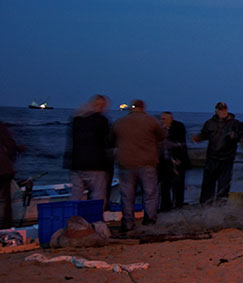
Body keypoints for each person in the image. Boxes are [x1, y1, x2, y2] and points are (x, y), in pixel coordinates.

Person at [112, 99, 165, 231]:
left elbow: (111, 140)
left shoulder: (119, 123)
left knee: (127, 196)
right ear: (143, 108)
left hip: (126, 163)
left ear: (131, 108)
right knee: (150, 194)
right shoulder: (151, 121)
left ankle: (128, 223)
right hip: (147, 163)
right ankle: (150, 221)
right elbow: (162, 136)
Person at [64, 95, 114, 209]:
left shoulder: (77, 118)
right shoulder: (101, 120)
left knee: (76, 195)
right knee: (98, 195)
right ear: (101, 106)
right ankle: (96, 222)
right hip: (95, 163)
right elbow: (107, 141)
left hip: (76, 163)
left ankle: (72, 220)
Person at [194, 102, 243, 204]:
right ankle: (205, 206)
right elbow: (204, 134)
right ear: (216, 111)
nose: (223, 111)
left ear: (227, 110)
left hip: (227, 159)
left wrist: (235, 136)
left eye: (224, 109)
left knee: (223, 185)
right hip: (212, 158)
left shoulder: (235, 123)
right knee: (208, 185)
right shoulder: (209, 123)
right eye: (220, 109)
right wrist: (198, 138)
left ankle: (220, 208)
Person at [158, 111, 190, 210]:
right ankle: (165, 207)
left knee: (178, 186)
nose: (162, 121)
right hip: (164, 162)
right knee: (164, 186)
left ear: (170, 119)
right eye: (161, 119)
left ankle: (177, 206)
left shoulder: (178, 127)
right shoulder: (160, 129)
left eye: (164, 119)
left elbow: (180, 145)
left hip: (177, 161)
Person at [1, 123, 26, 228]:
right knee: (7, 201)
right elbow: (10, 145)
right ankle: (7, 227)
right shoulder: (1, 127)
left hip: (4, 169)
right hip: (4, 170)